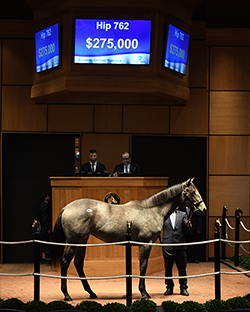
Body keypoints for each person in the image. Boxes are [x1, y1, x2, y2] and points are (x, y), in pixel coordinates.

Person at [162, 206, 191, 296]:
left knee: (182, 268)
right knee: (168, 268)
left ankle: (183, 288)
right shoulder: (164, 215)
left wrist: (188, 224)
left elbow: (188, 225)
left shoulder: (183, 214)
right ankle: (169, 287)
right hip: (167, 244)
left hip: (180, 244)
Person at [38, 191, 52, 264]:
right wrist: (48, 227)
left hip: (43, 227)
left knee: (46, 243)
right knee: (47, 243)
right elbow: (45, 217)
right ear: (45, 198)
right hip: (45, 228)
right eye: (48, 196)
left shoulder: (42, 205)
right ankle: (48, 259)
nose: (49, 197)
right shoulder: (45, 206)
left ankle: (47, 258)